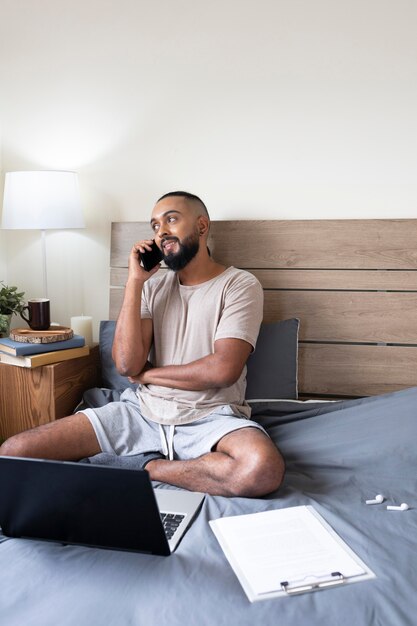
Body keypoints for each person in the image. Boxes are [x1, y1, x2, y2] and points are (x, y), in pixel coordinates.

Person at [0, 192, 285, 497]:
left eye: (171, 219)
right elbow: (126, 365)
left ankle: (147, 467)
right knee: (14, 451)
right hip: (142, 412)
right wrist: (135, 282)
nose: (161, 231)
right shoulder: (152, 288)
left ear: (202, 226)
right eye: (154, 225)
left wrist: (147, 375)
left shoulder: (239, 284)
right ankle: (176, 463)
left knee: (261, 469)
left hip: (211, 415)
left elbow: (223, 369)